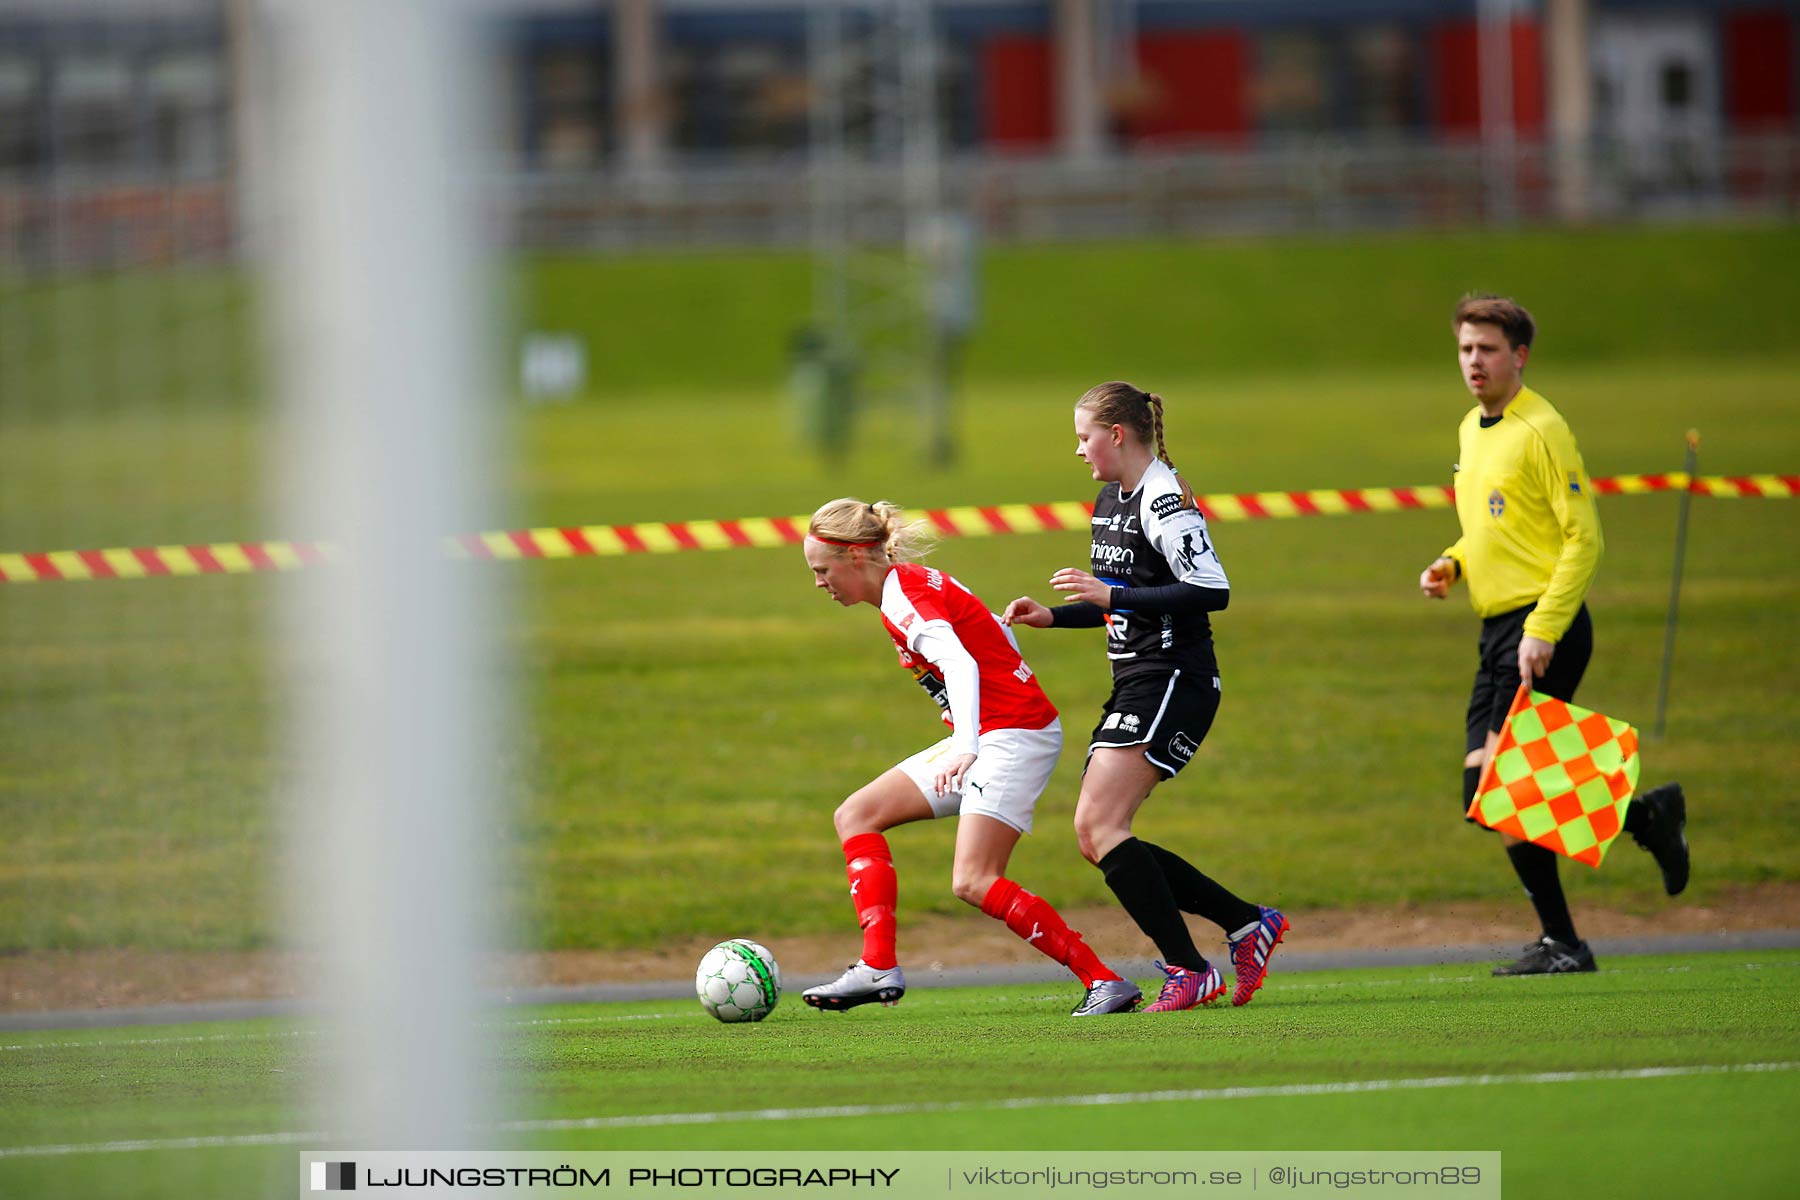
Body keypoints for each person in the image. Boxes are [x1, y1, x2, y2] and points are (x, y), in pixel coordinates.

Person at [1420, 294, 1690, 977]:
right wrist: (1454, 561)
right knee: (1487, 796)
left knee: (1505, 789)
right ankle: (1644, 818)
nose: (1474, 362)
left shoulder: (1542, 429)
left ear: (1520, 356)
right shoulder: (1472, 428)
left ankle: (1565, 940)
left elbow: (1584, 538)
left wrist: (1543, 627)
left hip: (1545, 624)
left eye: (1487, 350)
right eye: (1465, 349)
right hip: (1497, 628)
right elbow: (1497, 525)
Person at [1002, 382, 1288, 1012]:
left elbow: (1211, 590)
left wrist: (1110, 598)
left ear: (1119, 434)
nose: (1079, 450)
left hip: (1175, 678)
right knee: (1097, 832)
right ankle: (1245, 924)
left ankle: (1191, 968)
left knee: (1098, 824)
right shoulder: (1110, 498)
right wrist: (1055, 616)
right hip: (1138, 679)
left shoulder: (1163, 497)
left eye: (1084, 437)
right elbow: (1120, 596)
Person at [798, 497, 1143, 1017]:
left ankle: (1104, 981)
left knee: (974, 880)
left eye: (822, 570)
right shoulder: (910, 581)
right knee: (856, 815)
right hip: (994, 730)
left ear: (854, 557)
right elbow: (984, 636)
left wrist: (967, 745)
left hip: (1014, 734)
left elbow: (958, 662)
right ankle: (877, 967)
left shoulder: (902, 598)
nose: (819, 582)